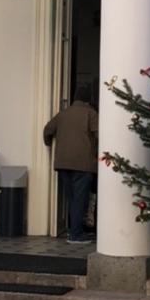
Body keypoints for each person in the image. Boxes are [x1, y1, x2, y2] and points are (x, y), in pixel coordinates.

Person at [44, 83, 98, 243]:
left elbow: (47, 130)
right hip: (83, 163)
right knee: (80, 200)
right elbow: (99, 134)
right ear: (88, 99)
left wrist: (49, 143)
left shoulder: (63, 114)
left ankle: (74, 230)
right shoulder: (90, 113)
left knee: (72, 199)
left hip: (63, 163)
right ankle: (76, 235)